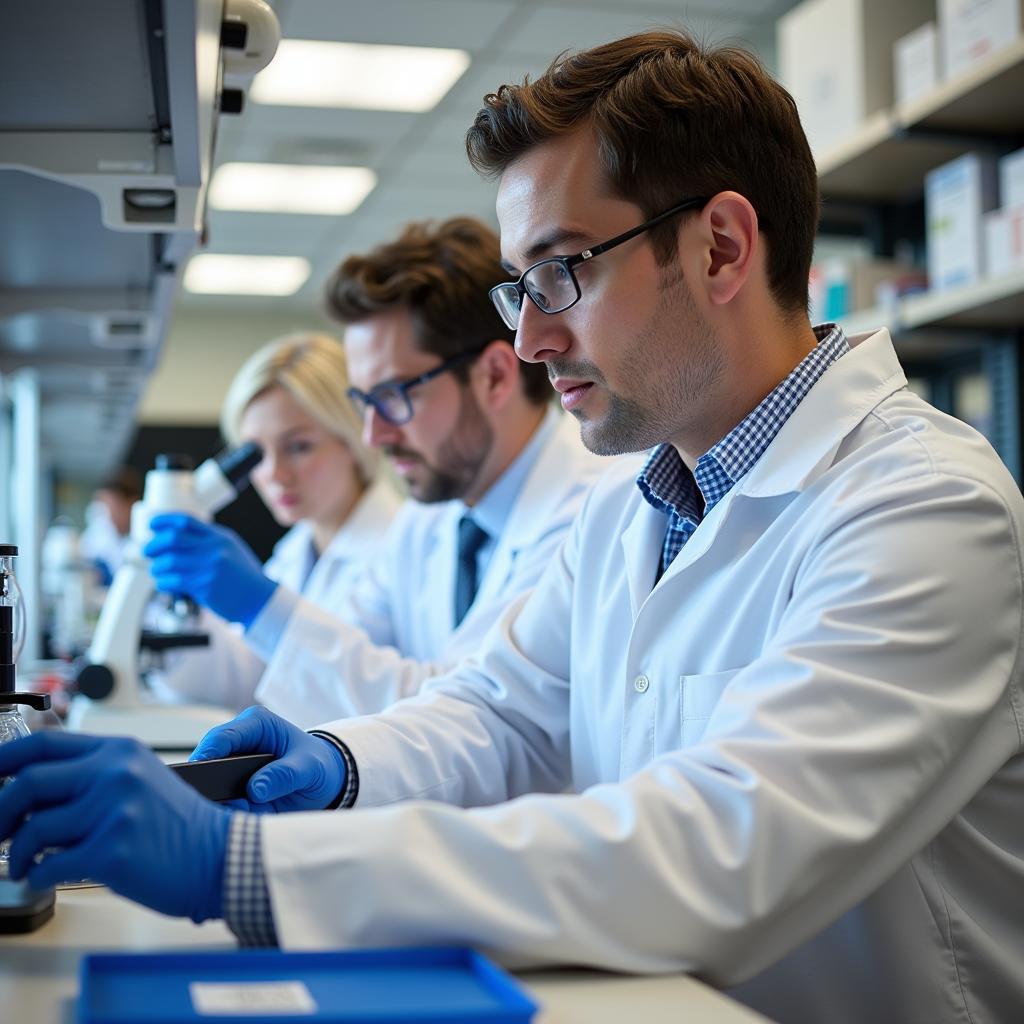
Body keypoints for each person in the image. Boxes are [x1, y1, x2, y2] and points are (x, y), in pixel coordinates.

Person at [2, 31, 1022, 1024]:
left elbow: (721, 843)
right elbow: (501, 715)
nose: (530, 338)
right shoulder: (638, 503)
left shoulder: (924, 506)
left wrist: (239, 866)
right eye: (519, 287)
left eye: (560, 271)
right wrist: (342, 762)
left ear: (719, 247)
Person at [145, 217, 605, 724]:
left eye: (393, 396)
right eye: (365, 401)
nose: (373, 435)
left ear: (495, 376)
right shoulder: (426, 520)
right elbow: (338, 662)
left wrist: (261, 605)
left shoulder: (584, 513)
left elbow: (464, 715)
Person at [144, 332, 400, 716]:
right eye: (256, 455)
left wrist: (260, 605)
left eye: (298, 446)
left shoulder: (401, 545)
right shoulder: (296, 550)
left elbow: (373, 698)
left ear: (354, 439)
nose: (275, 474)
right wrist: (180, 615)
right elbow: (251, 679)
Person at [78, 465, 143, 582]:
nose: (105, 516)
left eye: (111, 507)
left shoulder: (142, 541)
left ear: (131, 504)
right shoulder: (99, 539)